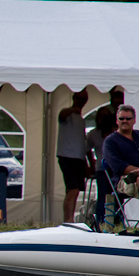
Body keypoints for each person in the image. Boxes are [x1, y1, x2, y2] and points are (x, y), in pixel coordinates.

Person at [57, 89, 92, 223]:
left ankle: (69, 219)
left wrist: (88, 163)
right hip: (67, 156)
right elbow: (62, 115)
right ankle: (68, 220)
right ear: (74, 98)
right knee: (73, 189)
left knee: (73, 190)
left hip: (78, 158)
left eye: (83, 100)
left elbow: (84, 142)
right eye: (79, 99)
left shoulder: (80, 119)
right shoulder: (68, 114)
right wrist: (73, 109)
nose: (81, 102)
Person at [103, 104, 139, 206]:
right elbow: (118, 167)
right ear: (117, 121)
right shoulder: (110, 141)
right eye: (121, 118)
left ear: (134, 120)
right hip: (125, 180)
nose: (124, 121)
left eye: (128, 118)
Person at [87, 96, 119, 225]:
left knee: (117, 195)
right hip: (101, 168)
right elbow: (87, 148)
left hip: (115, 167)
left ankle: (115, 220)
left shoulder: (115, 133)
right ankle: (100, 221)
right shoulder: (94, 133)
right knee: (102, 196)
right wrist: (91, 162)